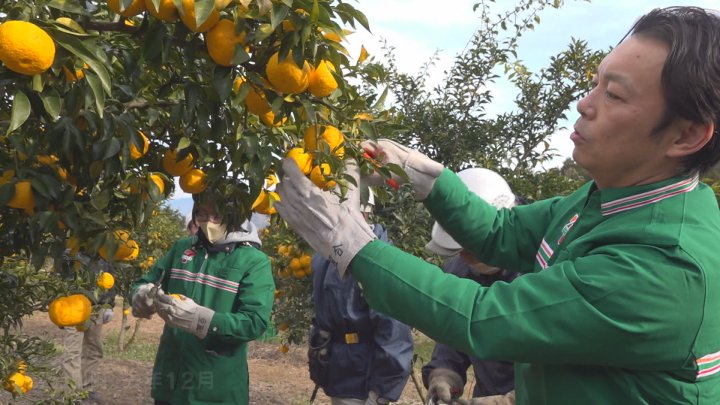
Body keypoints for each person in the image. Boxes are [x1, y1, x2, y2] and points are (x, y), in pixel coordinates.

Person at [275, 6, 720, 404]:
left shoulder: (665, 266)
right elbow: (501, 233)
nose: (584, 104)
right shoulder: (606, 199)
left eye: (614, 95)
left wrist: (352, 245)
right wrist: (429, 181)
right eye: (594, 84)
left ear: (685, 135)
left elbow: (482, 316)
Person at [130, 188, 275, 405]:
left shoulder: (253, 261)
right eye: (202, 214)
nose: (209, 222)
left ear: (234, 216)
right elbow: (145, 281)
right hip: (170, 380)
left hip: (216, 387)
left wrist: (202, 320)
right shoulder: (181, 248)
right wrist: (141, 294)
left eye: (217, 215)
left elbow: (254, 322)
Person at [420, 168, 518, 405]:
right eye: (459, 250)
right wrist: (444, 373)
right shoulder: (460, 272)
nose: (466, 257)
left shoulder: (547, 266)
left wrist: (515, 400)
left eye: (471, 248)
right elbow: (455, 333)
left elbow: (570, 367)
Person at [308, 187, 413, 405]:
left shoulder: (379, 262)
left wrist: (380, 393)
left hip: (363, 378)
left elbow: (393, 330)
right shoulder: (325, 256)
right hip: (338, 371)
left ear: (362, 213)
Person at [56, 252, 116, 403]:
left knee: (94, 350)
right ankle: (73, 393)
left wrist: (110, 304)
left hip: (97, 307)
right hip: (73, 307)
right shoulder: (70, 252)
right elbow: (59, 279)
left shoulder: (103, 251)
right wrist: (59, 311)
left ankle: (87, 389)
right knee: (73, 351)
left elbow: (110, 278)